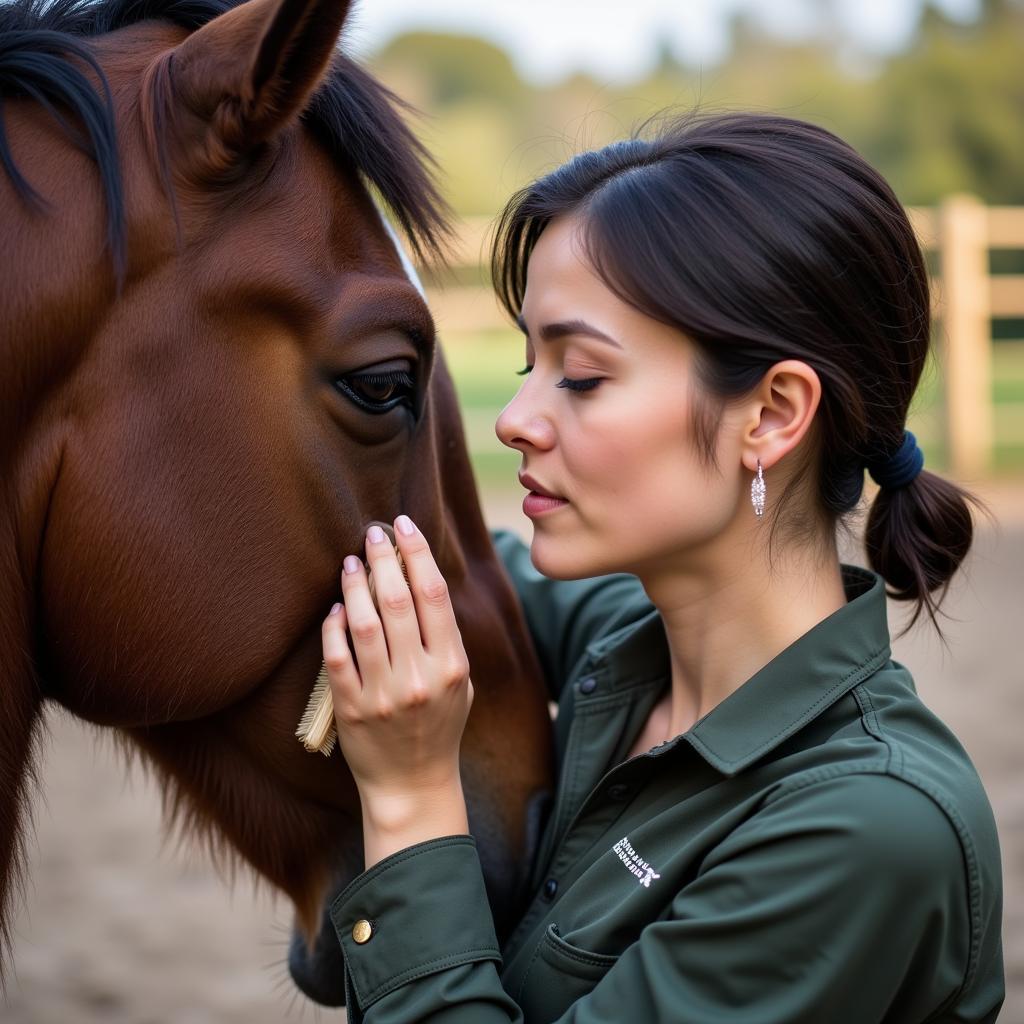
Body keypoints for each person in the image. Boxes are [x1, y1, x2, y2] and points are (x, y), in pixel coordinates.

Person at [318, 113, 1004, 1022]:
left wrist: (409, 801)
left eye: (582, 375)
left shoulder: (863, 830)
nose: (515, 417)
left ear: (769, 415)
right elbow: (423, 571)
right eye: (529, 363)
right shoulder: (626, 640)